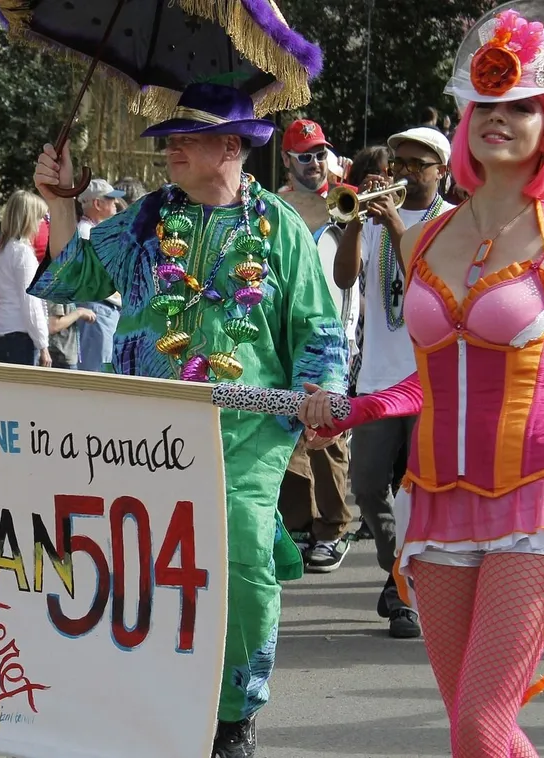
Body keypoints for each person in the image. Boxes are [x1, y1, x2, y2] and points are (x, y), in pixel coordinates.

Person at [297, 6, 544, 754]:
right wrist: (355, 410)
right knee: (473, 733)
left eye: (521, 106)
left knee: (483, 727)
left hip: (536, 500)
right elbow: (424, 382)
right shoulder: (422, 238)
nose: (499, 119)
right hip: (436, 507)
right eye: (487, 104)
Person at [30, 82, 348, 758]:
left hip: (247, 436)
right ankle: (152, 700)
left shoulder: (282, 226)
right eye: (169, 135)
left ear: (229, 146)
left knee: (240, 550)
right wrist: (60, 201)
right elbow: (70, 277)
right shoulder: (146, 219)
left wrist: (320, 393)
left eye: (186, 135)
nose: (169, 146)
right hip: (145, 437)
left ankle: (234, 712)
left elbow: (317, 326)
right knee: (139, 560)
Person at [331, 126, 457, 638]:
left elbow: (431, 282)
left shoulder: (452, 223)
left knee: (418, 491)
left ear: (441, 171)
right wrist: (358, 223)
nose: (404, 171)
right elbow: (343, 279)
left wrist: (397, 229)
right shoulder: (377, 217)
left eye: (417, 164)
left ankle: (404, 590)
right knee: (365, 484)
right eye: (399, 161)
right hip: (380, 379)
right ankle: (396, 569)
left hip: (431, 381)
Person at [0, 190, 51, 367]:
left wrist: (0, 320)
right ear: (29, 218)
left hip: (1, 331)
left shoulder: (0, 250)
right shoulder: (23, 253)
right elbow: (30, 302)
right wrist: (43, 344)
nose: (41, 223)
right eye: (39, 217)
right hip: (20, 335)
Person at [74, 179, 125, 373]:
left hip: (103, 308)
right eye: (111, 199)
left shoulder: (90, 231)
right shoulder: (87, 233)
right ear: (97, 203)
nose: (116, 203)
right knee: (98, 370)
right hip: (99, 308)